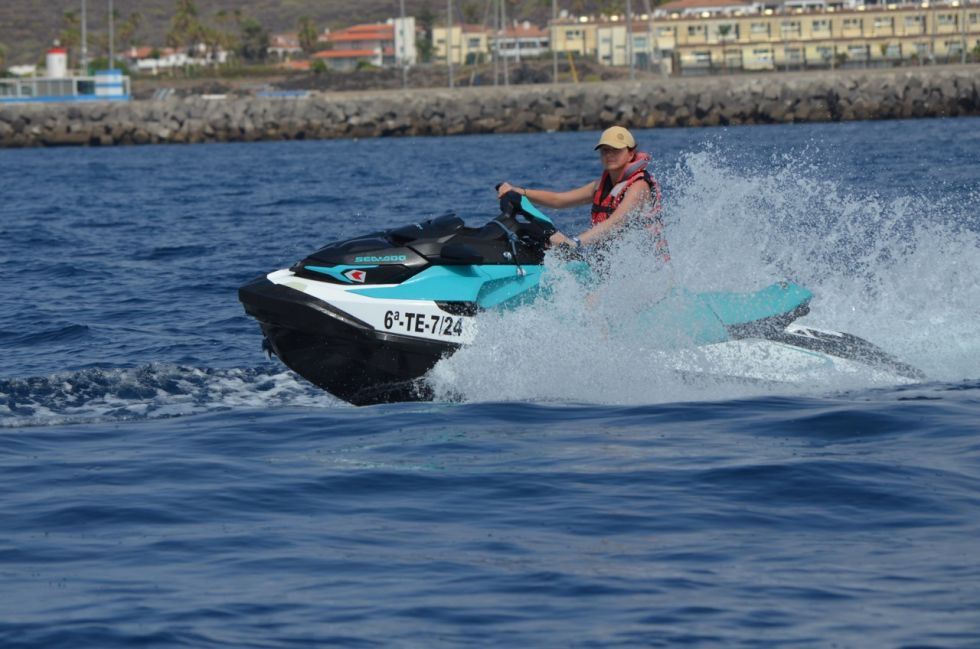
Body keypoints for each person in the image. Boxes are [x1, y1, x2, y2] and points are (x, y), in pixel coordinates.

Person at [496, 125, 669, 262]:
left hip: (648, 271)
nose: (609, 155)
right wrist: (520, 192)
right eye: (605, 150)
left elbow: (615, 223)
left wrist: (575, 242)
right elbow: (559, 200)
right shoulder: (600, 186)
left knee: (590, 302)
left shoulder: (639, 187)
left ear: (631, 154)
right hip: (614, 267)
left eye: (616, 150)